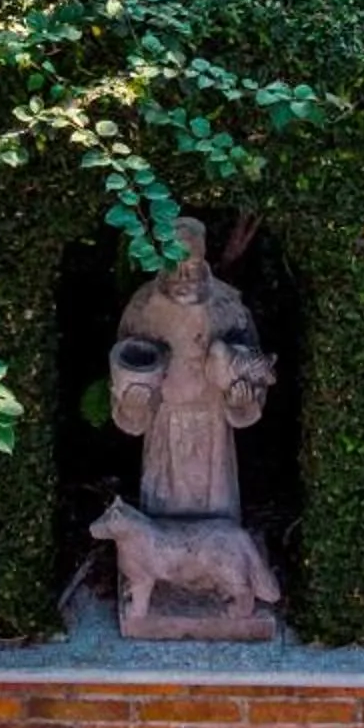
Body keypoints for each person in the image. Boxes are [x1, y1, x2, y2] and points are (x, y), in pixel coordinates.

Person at [108, 217, 274, 521]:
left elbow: (254, 372)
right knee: (163, 524)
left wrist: (241, 402)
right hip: (164, 428)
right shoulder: (142, 308)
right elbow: (123, 374)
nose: (184, 277)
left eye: (193, 268)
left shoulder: (227, 305)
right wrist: (132, 407)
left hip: (212, 428)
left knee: (216, 519)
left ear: (204, 260)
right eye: (175, 267)